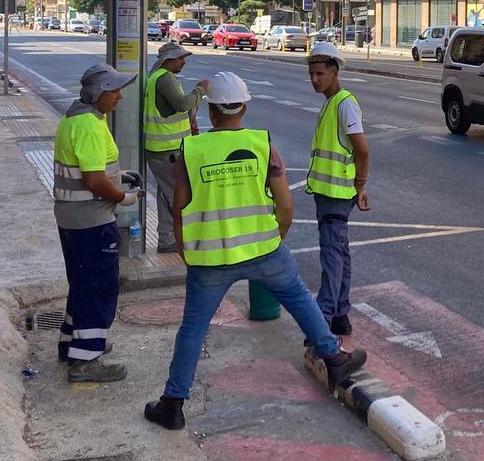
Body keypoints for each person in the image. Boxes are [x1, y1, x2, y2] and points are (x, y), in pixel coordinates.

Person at [144, 71, 367, 431]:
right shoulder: (264, 145)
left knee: (192, 329)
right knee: (299, 299)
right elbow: (286, 206)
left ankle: (172, 403)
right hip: (265, 252)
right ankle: (333, 356)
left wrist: (187, 251)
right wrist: (274, 239)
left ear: (211, 112)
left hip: (210, 259)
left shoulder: (192, 150)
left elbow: (179, 206)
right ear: (243, 108)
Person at [53, 63, 141, 382]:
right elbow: (93, 180)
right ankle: (86, 361)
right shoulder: (89, 125)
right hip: (91, 219)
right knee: (99, 287)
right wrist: (122, 196)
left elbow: (93, 169)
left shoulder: (76, 118)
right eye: (113, 90)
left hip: (72, 218)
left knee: (81, 282)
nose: (119, 96)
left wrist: (118, 176)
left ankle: (72, 346)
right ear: (97, 94)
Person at [305, 43, 370, 337]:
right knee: (340, 255)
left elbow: (362, 150)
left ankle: (323, 320)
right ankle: (341, 315)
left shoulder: (344, 103)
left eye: (320, 73)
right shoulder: (330, 102)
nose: (315, 79)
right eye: (311, 74)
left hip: (337, 195)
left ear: (334, 71)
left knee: (331, 258)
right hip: (328, 193)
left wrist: (361, 185)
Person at [144, 42, 209, 253]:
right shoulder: (164, 78)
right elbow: (182, 104)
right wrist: (200, 89)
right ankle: (175, 239)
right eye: (180, 58)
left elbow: (176, 109)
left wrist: (191, 121)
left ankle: (167, 238)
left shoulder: (158, 77)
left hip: (162, 147)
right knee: (176, 195)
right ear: (168, 60)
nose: (183, 62)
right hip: (166, 148)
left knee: (166, 195)